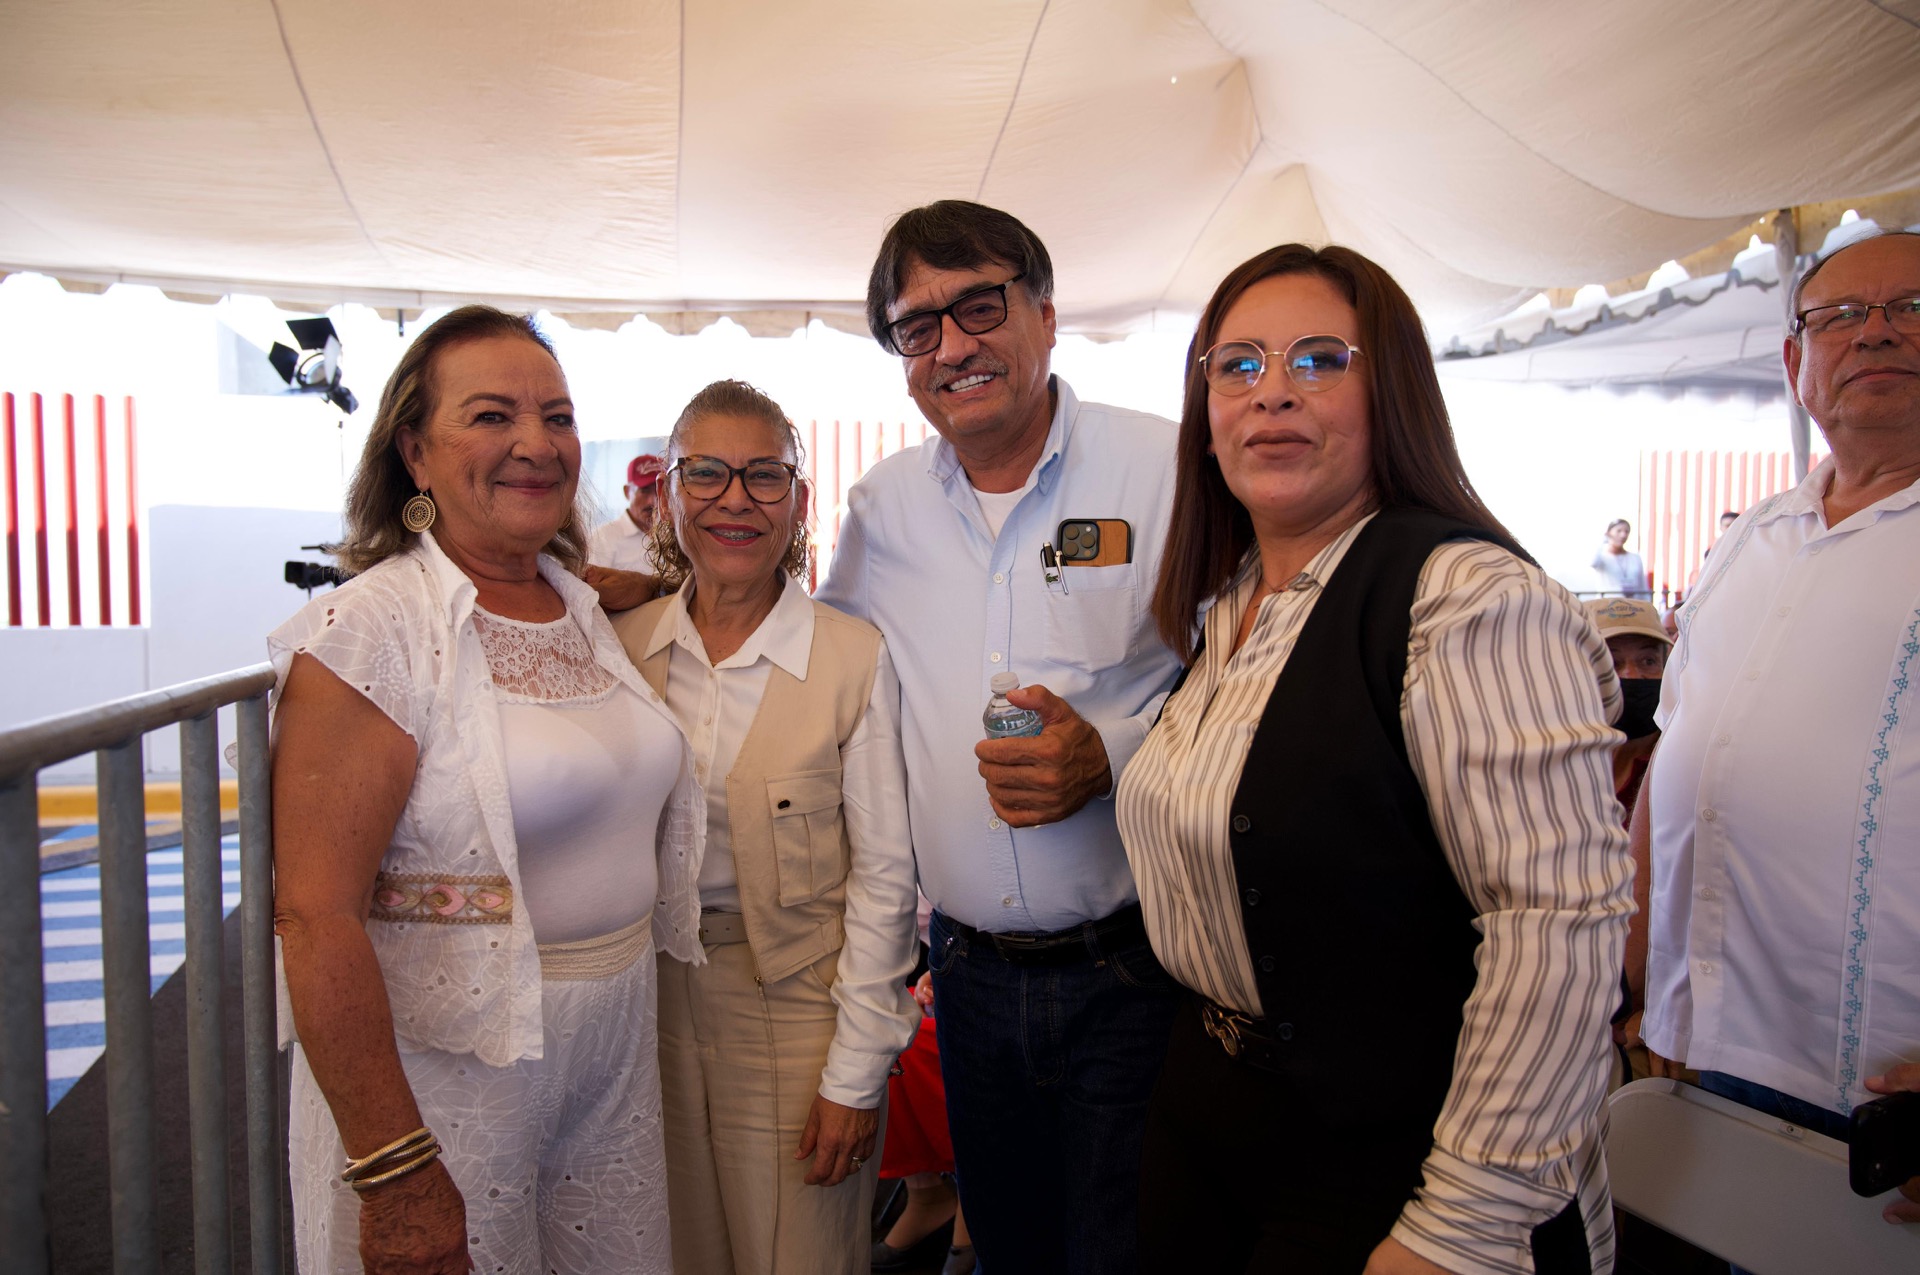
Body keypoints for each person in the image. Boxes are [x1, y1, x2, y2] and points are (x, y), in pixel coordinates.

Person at [1117, 243, 1631, 1274]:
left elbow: (1555, 931)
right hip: (1213, 1121)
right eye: (1239, 366)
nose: (1272, 396)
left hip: (1398, 1157)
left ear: (1388, 388)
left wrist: (1462, 1229)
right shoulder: (1226, 611)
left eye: (1318, 361)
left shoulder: (1471, 601)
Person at [269, 305, 702, 1274]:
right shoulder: (367, 635)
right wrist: (394, 1168)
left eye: (556, 416)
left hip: (613, 1063)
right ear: (414, 454)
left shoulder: (580, 605)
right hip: (450, 1084)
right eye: (493, 416)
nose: (535, 444)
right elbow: (313, 917)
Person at [814, 199, 1183, 1274]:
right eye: (915, 327)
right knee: (1009, 1254)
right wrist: (642, 595)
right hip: (967, 984)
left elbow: (1249, 681)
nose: (953, 345)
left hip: (1136, 973)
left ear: (1046, 313)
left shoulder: (1163, 468)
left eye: (979, 305)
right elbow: (815, 662)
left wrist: (1111, 752)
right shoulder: (882, 509)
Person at [1632, 228, 1920, 1226]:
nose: (1875, 335)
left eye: (1910, 310)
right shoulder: (1749, 540)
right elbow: (1677, 766)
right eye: (1839, 317)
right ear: (1796, 363)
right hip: (1702, 1055)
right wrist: (1636, 986)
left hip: (1889, 1101)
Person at [610, 380, 919, 1274]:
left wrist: (856, 1073)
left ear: (800, 502)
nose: (734, 499)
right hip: (649, 1011)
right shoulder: (621, 646)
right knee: (672, 1252)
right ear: (668, 492)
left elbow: (885, 881)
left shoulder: (853, 658)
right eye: (705, 473)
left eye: (764, 476)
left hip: (796, 1014)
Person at [1582, 596, 1670, 825]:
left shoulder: (1675, 762)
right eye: (1612, 662)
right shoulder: (1556, 760)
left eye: (1648, 661)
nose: (1631, 675)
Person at [587, 452, 665, 571]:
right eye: (644, 491)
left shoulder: (673, 533)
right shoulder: (603, 538)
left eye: (658, 491)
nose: (653, 502)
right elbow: (591, 586)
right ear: (627, 491)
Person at [1592, 517, 1650, 598]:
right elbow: (1593, 563)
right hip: (1608, 606)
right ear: (1609, 533)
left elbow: (1643, 586)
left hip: (1632, 605)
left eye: (1626, 532)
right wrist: (1603, 540)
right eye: (1618, 531)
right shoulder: (1602, 558)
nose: (1623, 535)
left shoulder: (1635, 558)